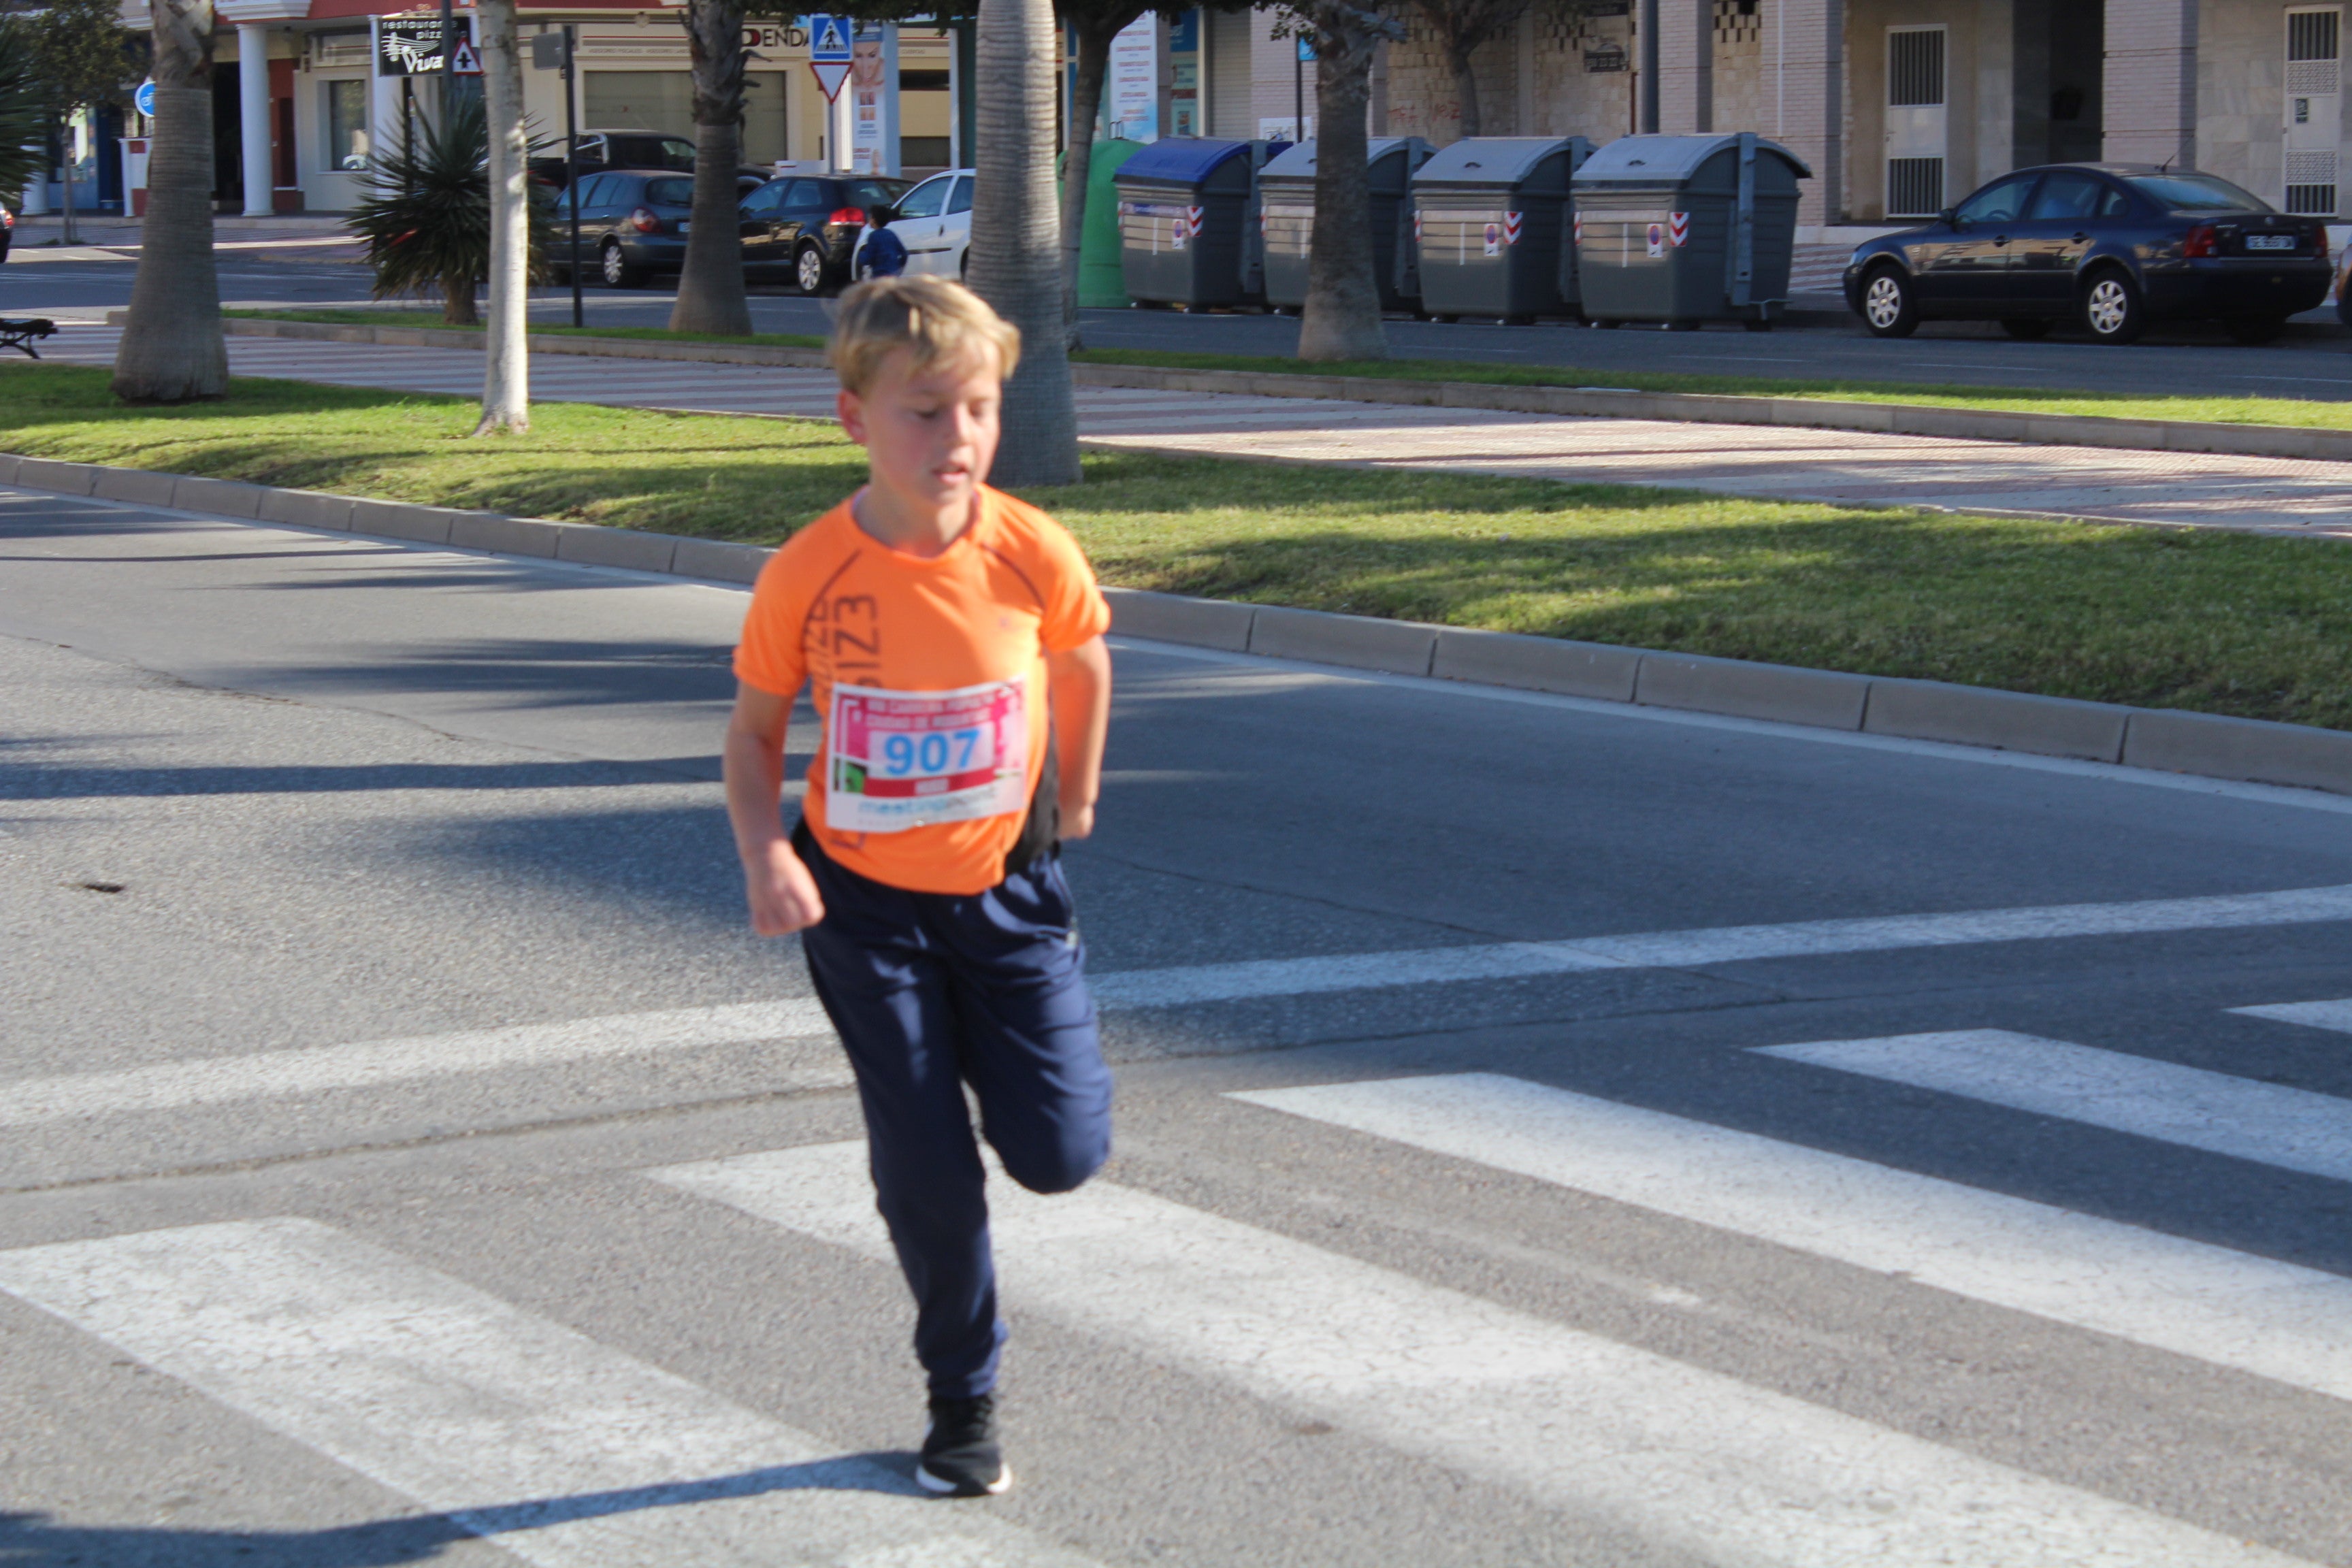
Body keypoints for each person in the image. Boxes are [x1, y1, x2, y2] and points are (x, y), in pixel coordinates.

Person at [721, 275, 1115, 1499]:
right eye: (925, 413)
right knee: (928, 1167)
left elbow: (1086, 660)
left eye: (980, 411)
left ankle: (1019, 1102)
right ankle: (963, 1401)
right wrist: (767, 853)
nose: (958, 441)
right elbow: (753, 732)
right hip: (863, 909)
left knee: (1060, 1155)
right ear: (854, 419)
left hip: (1007, 895)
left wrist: (1077, 799)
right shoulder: (810, 570)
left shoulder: (1030, 548)